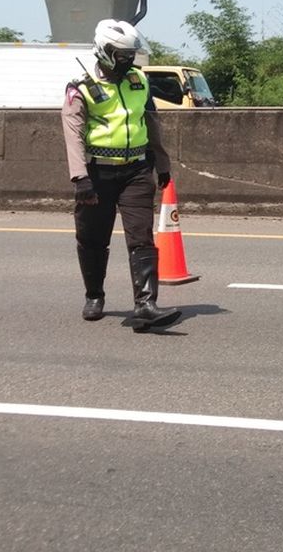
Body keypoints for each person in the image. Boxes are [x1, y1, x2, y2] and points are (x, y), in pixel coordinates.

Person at [62, 19, 181, 332]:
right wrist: (80, 178)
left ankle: (145, 305)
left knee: (141, 236)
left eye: (132, 54)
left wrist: (163, 163)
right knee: (92, 238)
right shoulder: (81, 86)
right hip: (96, 173)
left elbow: (151, 122)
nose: (129, 60)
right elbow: (73, 133)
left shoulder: (139, 81)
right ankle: (94, 295)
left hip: (137, 171)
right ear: (105, 51)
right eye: (122, 54)